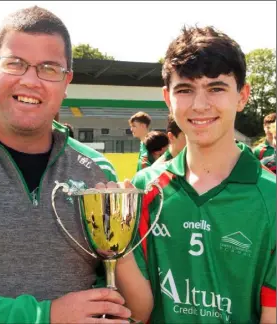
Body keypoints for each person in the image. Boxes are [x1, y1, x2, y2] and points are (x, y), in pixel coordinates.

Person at [0, 6, 132, 323]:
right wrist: (45, 315)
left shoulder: (96, 170)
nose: (30, 80)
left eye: (49, 69)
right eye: (15, 64)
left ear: (67, 81)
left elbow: (118, 290)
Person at [116, 26, 276, 323]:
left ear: (242, 96)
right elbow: (137, 314)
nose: (200, 105)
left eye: (216, 88)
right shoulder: (142, 189)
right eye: (185, 90)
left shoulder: (273, 197)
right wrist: (116, 247)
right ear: (167, 97)